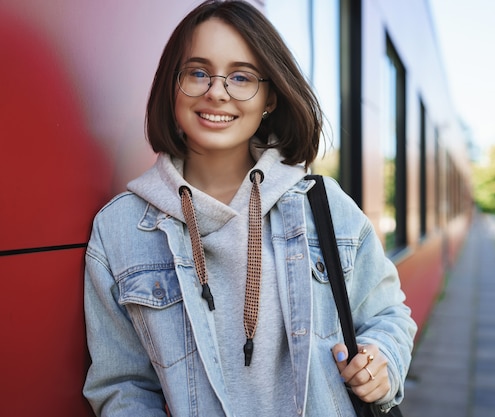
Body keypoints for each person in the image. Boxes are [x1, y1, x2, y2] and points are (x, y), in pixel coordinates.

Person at [82, 1, 417, 416]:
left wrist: (381, 360)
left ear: (270, 98)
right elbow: (123, 386)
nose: (216, 91)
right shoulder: (119, 229)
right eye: (198, 72)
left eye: (240, 76)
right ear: (173, 85)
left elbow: (388, 314)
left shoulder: (324, 206)